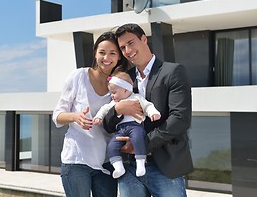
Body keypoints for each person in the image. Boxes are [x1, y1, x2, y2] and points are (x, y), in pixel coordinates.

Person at [102, 23, 193, 197]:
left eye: (131, 43)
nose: (128, 50)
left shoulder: (173, 71)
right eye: (122, 47)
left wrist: (141, 145)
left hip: (165, 166)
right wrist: (119, 109)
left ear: (144, 39)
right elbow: (107, 125)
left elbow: (180, 118)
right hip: (129, 169)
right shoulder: (124, 79)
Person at [52, 31, 129, 197]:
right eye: (102, 52)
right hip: (76, 160)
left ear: (119, 57)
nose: (106, 57)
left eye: (112, 53)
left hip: (107, 162)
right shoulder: (78, 76)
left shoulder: (120, 85)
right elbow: (57, 115)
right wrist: (75, 117)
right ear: (95, 54)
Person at [93, 71, 160, 179]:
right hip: (120, 130)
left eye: (114, 92)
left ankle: (140, 164)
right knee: (111, 146)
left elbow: (147, 106)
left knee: (138, 139)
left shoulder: (136, 97)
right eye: (111, 93)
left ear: (126, 90)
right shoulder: (114, 103)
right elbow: (104, 109)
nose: (112, 95)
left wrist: (153, 113)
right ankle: (118, 167)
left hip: (135, 127)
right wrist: (98, 117)